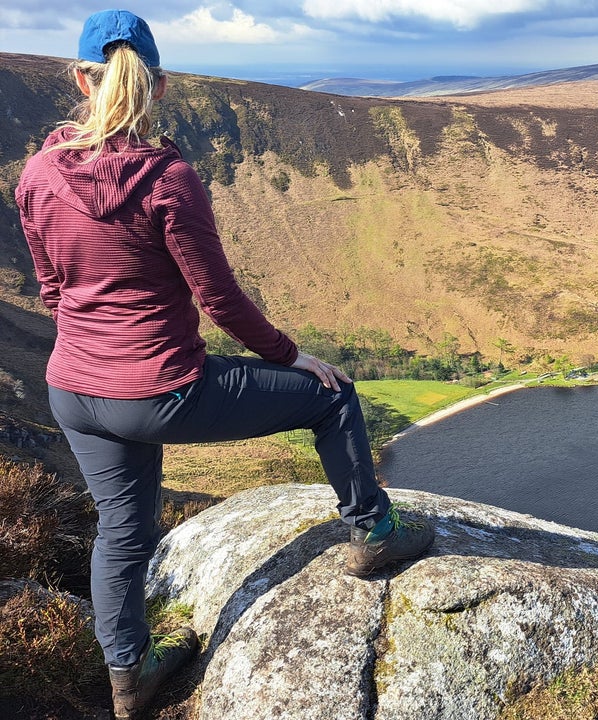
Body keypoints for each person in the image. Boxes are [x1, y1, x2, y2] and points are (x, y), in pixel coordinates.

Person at [15, 9, 434, 718]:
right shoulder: (166, 178)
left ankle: (130, 675)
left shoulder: (38, 172)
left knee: (124, 529)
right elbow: (220, 299)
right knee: (333, 397)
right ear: (162, 86)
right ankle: (373, 531)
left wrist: (98, 347)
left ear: (81, 81)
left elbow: (51, 287)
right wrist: (294, 357)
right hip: (158, 389)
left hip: (73, 388)